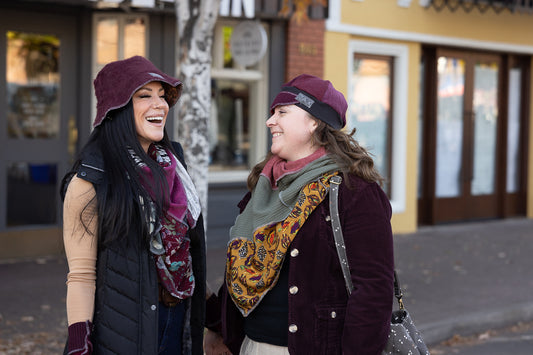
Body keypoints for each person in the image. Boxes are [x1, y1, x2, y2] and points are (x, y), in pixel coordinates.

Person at [204, 74, 394, 355]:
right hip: (251, 346)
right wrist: (217, 325)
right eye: (272, 114)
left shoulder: (354, 193)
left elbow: (374, 291)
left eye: (282, 112)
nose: (270, 121)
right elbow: (246, 268)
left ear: (314, 121)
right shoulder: (265, 187)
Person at [61, 56, 206, 355]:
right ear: (117, 109)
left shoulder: (175, 166)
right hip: (122, 334)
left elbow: (190, 252)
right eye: (144, 96)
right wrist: (79, 343)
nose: (160, 105)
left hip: (178, 323)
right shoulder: (90, 180)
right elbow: (81, 275)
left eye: (162, 96)